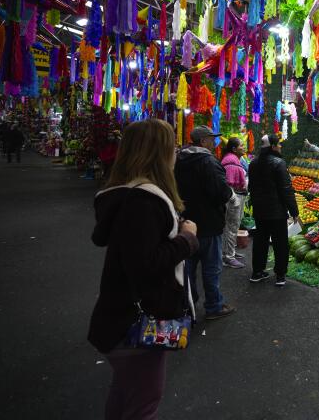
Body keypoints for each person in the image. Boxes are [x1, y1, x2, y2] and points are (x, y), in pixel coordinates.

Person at [88, 118, 199, 420]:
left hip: (120, 318)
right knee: (143, 404)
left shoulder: (127, 195)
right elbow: (146, 264)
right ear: (158, 153)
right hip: (137, 324)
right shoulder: (144, 201)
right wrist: (187, 239)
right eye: (172, 146)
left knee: (125, 391)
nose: (176, 152)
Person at [174, 126, 236, 320]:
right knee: (211, 268)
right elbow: (221, 191)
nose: (214, 142)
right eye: (211, 139)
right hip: (209, 224)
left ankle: (187, 305)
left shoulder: (177, 159)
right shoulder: (208, 161)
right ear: (203, 142)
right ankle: (214, 306)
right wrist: (230, 197)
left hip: (186, 223)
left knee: (188, 268)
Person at [247, 134, 299, 285]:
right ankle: (280, 276)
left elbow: (251, 187)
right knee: (280, 244)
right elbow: (286, 189)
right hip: (277, 213)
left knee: (260, 242)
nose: (281, 146)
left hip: (259, 211)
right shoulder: (279, 163)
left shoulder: (253, 163)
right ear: (273, 146)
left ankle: (257, 272)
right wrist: (294, 212)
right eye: (279, 144)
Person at [220, 137, 248, 269]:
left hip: (237, 196)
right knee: (231, 227)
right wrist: (234, 199)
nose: (244, 147)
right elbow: (227, 184)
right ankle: (228, 257)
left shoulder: (234, 159)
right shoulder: (231, 161)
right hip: (234, 198)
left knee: (233, 226)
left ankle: (229, 252)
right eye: (241, 145)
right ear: (234, 149)